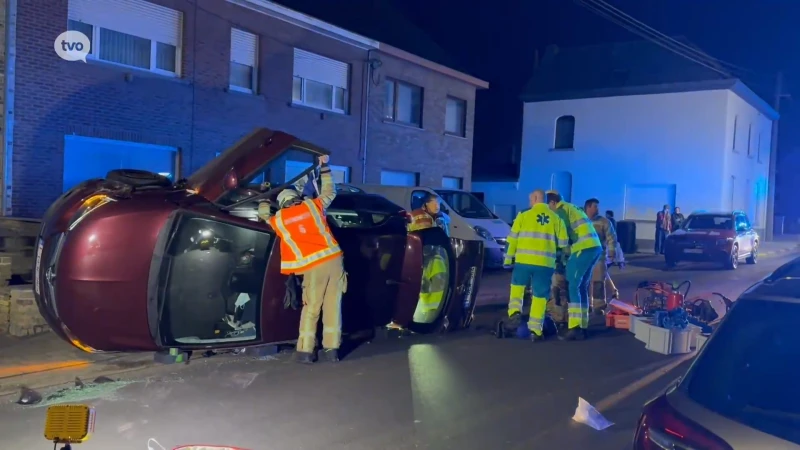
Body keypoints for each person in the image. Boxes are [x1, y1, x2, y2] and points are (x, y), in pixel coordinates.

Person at [257, 155, 347, 364]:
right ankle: (331, 351)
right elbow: (330, 191)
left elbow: (263, 215)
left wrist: (263, 196)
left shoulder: (279, 219)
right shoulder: (313, 207)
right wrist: (324, 167)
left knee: (312, 308)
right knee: (333, 306)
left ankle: (306, 352)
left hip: (313, 267)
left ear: (282, 204)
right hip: (334, 260)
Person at [501, 190, 569, 341]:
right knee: (539, 296)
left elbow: (512, 239)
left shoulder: (523, 215)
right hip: (545, 264)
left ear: (536, 198)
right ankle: (535, 332)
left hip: (523, 262)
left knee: (517, 288)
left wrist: (507, 260)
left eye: (530, 199)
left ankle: (514, 313)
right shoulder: (556, 218)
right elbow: (564, 244)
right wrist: (560, 259)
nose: (529, 202)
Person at [547, 190, 603, 341]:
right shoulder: (572, 207)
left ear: (552, 203)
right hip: (594, 246)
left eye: (548, 207)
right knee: (582, 286)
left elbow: (562, 234)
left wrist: (559, 255)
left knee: (573, 285)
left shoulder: (561, 210)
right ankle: (582, 325)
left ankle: (575, 327)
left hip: (582, 248)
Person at [584, 198, 619, 312]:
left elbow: (611, 238)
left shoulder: (604, 222)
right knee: (584, 282)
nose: (598, 209)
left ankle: (599, 307)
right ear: (588, 207)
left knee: (598, 282)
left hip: (598, 257)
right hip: (583, 257)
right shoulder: (580, 220)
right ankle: (586, 305)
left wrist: (612, 252)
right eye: (595, 206)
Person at [547, 249, 569, 331]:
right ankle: (563, 318)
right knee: (560, 295)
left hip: (559, 268)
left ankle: (561, 319)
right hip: (561, 267)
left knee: (557, 295)